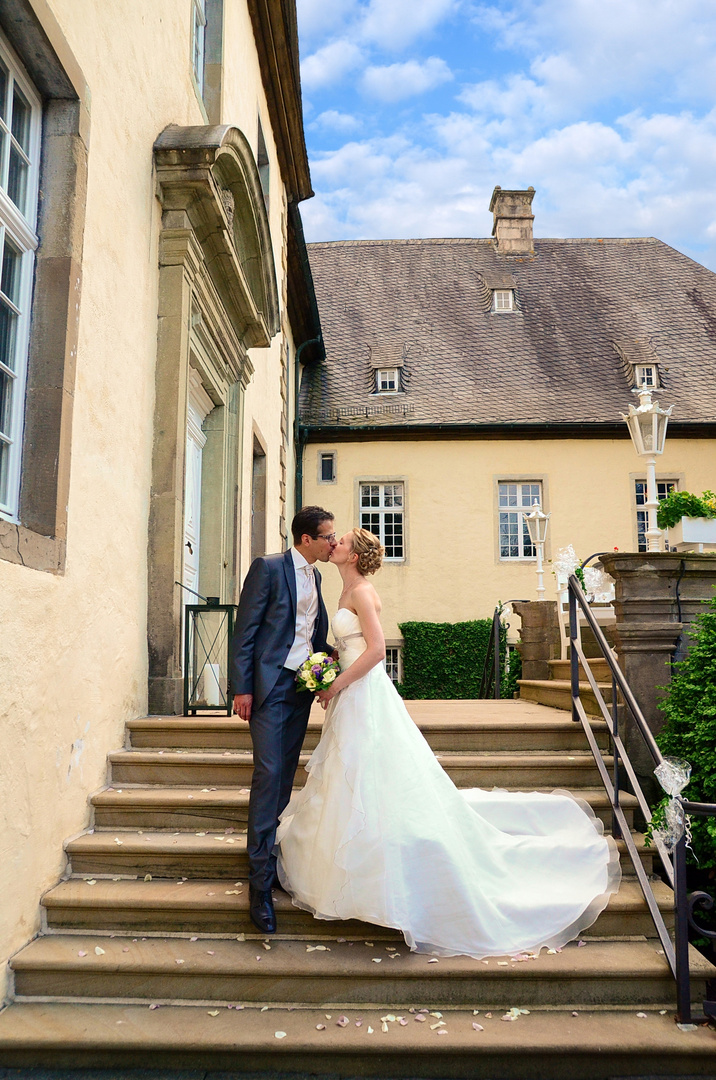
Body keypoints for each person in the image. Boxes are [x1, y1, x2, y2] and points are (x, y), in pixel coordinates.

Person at [276, 528, 621, 959]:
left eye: (342, 540)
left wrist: (336, 684)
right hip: (350, 692)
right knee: (351, 772)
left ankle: (378, 866)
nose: (335, 544)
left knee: (367, 767)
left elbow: (379, 650)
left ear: (354, 554)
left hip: (364, 693)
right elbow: (350, 645)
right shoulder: (342, 586)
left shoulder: (362, 591)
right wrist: (328, 672)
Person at [230, 506, 336, 933]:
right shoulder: (268, 568)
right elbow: (246, 630)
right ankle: (258, 885)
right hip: (269, 688)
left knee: (285, 775)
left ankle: (267, 858)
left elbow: (312, 632)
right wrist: (242, 687)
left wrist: (328, 670)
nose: (333, 542)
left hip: (300, 690)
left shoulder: (318, 575)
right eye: (328, 536)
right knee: (269, 773)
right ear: (306, 539)